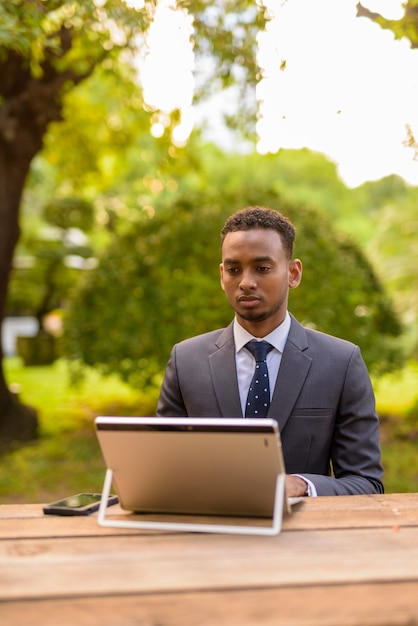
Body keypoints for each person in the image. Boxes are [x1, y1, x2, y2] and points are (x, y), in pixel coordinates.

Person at [157, 206, 384, 497]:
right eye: (233, 269)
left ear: (293, 273)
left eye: (262, 268)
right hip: (208, 536)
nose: (246, 282)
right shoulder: (186, 361)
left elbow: (367, 483)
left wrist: (301, 485)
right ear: (221, 274)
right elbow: (161, 472)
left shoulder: (341, 363)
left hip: (304, 537)